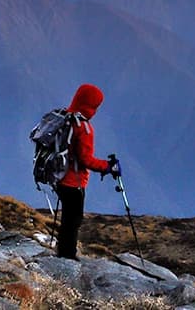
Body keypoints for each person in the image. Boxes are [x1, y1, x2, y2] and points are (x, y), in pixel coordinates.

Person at [55, 83, 119, 259]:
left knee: (67, 219)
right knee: (73, 221)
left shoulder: (64, 118)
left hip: (59, 177)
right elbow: (86, 160)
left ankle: (63, 252)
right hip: (74, 182)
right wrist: (108, 167)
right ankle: (67, 256)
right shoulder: (83, 127)